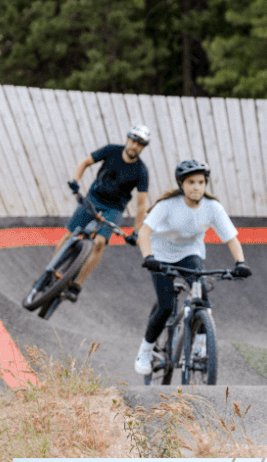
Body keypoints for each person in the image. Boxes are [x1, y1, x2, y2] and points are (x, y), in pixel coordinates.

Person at [134, 159, 252, 376]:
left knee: (202, 298)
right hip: (160, 255)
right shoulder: (167, 205)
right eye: (191, 182)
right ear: (181, 185)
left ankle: (199, 347)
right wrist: (148, 256)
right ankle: (146, 349)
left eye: (201, 182)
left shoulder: (213, 207)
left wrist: (240, 263)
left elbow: (231, 238)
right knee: (166, 305)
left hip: (190, 254)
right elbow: (144, 232)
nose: (197, 187)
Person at [56, 124, 151, 301]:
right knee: (69, 234)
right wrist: (75, 181)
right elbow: (85, 163)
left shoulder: (141, 171)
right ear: (127, 139)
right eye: (133, 141)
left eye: (140, 144)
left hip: (113, 209)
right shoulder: (111, 150)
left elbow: (141, 205)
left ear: (143, 148)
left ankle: (77, 285)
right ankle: (52, 269)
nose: (135, 146)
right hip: (93, 199)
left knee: (100, 243)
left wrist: (136, 232)